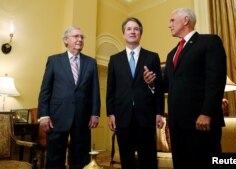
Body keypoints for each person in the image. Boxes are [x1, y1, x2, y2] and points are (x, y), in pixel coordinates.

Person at [144, 8, 227, 169]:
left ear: (186, 20)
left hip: (201, 122)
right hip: (176, 125)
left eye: (172, 20)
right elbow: (168, 85)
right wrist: (152, 82)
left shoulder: (210, 41)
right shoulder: (171, 54)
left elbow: (216, 80)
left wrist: (207, 113)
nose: (169, 25)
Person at [38, 26, 101, 169]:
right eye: (76, 36)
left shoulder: (91, 62)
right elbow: (45, 90)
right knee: (55, 158)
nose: (80, 39)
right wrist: (43, 115)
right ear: (66, 40)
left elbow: (95, 90)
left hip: (82, 117)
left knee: (80, 157)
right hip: (57, 117)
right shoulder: (54, 61)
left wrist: (95, 113)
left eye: (82, 37)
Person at [106, 17, 165, 169]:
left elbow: (158, 88)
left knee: (148, 159)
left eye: (136, 29)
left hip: (146, 116)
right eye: (129, 29)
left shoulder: (152, 57)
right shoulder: (114, 60)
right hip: (122, 116)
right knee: (127, 159)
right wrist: (110, 113)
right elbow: (111, 89)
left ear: (140, 34)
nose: (133, 31)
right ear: (124, 34)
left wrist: (159, 112)